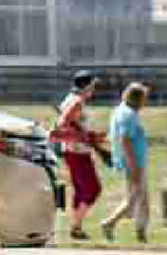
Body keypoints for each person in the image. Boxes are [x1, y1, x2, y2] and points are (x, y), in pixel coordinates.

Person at [52, 70, 108, 240]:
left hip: (75, 152)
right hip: (77, 152)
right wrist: (81, 137)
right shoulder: (76, 101)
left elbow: (75, 125)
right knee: (93, 189)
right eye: (93, 86)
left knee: (81, 190)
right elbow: (61, 125)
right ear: (87, 86)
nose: (94, 90)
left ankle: (76, 227)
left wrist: (92, 136)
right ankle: (76, 227)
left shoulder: (74, 100)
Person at [100, 80, 153, 241]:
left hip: (132, 161)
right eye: (144, 98)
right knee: (135, 199)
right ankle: (109, 223)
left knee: (141, 200)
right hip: (133, 163)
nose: (145, 102)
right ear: (138, 99)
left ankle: (141, 234)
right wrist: (134, 167)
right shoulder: (128, 115)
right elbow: (125, 141)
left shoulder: (121, 110)